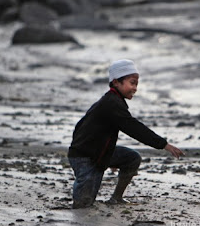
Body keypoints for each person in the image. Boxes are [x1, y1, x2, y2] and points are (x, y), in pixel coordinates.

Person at [68, 59, 184, 209]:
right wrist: (164, 144)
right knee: (83, 205)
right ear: (116, 82)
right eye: (132, 83)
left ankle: (116, 198)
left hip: (97, 154)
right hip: (84, 158)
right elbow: (133, 127)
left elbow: (82, 126)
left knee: (132, 158)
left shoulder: (113, 101)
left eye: (136, 84)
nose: (135, 88)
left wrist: (106, 156)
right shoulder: (111, 103)